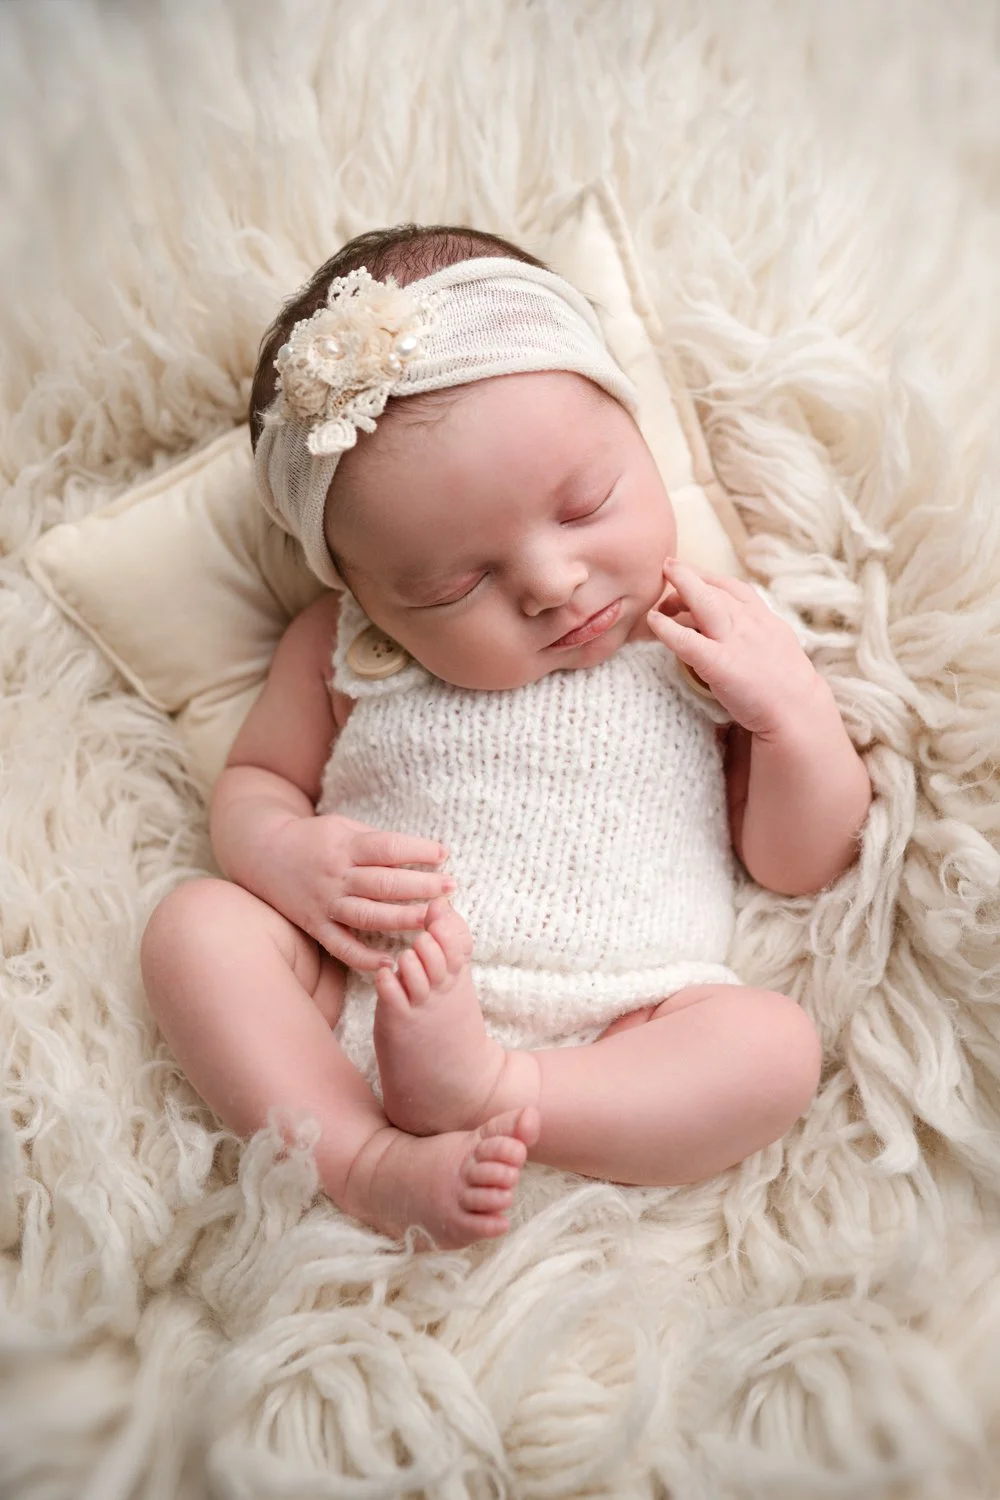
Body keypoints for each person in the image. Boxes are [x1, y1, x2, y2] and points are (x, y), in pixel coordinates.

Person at [140, 224, 872, 1250]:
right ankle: (361, 1157)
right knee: (194, 929)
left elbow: (795, 862)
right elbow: (259, 777)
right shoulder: (340, 647)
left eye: (585, 504)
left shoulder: (701, 632)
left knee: (773, 1047)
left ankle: (497, 1089)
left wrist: (789, 715)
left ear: (634, 431)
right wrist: (281, 852)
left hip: (629, 1020)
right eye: (452, 585)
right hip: (368, 990)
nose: (550, 582)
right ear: (366, 598)